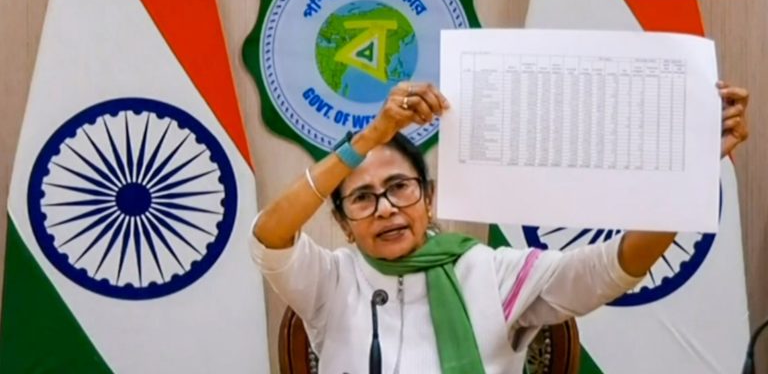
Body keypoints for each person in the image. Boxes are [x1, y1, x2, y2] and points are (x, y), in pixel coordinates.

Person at [251, 81, 749, 374]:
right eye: (362, 198)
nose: (385, 208)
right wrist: (370, 137)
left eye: (400, 187)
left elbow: (612, 267)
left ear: (428, 197)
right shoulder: (329, 280)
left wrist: (689, 175)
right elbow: (270, 234)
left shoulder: (489, 271)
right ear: (342, 222)